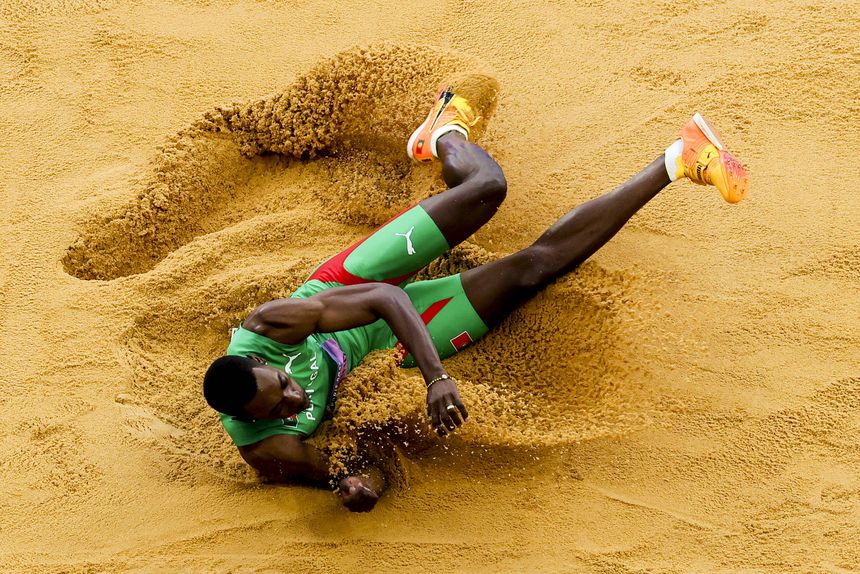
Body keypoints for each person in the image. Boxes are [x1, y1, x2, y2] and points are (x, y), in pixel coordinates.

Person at [203, 83, 749, 512]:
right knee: (532, 271)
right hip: (378, 351)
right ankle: (679, 160)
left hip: (351, 290)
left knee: (486, 190)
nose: (294, 401)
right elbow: (349, 463)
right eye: (279, 409)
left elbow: (385, 301)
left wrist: (437, 377)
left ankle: (443, 133)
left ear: (261, 362)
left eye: (283, 387)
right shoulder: (268, 448)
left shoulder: (268, 329)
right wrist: (360, 486)